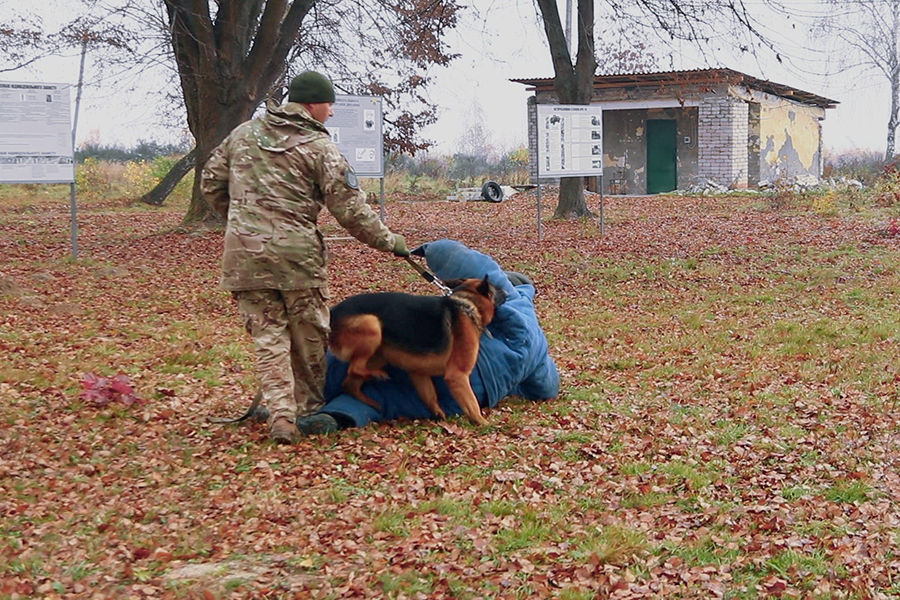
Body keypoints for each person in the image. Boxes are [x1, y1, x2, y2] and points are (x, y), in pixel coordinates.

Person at [201, 71, 409, 445]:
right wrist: (389, 241)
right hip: (298, 259)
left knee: (269, 339)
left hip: (245, 257)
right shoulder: (318, 147)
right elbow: (350, 209)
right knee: (310, 336)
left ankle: (282, 417)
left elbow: (211, 183)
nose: (330, 112)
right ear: (313, 104)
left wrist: (245, 221)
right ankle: (309, 410)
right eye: (329, 105)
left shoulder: (242, 135)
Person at [294, 239, 561, 435]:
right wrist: (510, 385)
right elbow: (547, 387)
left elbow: (466, 260)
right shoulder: (537, 347)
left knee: (361, 366)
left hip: (462, 376)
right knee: (389, 399)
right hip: (472, 393)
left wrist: (425, 250)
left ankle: (299, 398)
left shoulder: (512, 302)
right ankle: (337, 416)